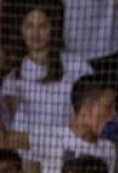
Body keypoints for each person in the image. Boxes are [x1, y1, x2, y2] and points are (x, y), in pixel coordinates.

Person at [0, 3, 94, 161]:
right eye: (29, 26)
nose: (35, 33)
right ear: (21, 29)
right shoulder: (12, 80)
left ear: (53, 28)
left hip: (69, 156)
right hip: (28, 161)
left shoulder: (77, 66)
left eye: (42, 26)